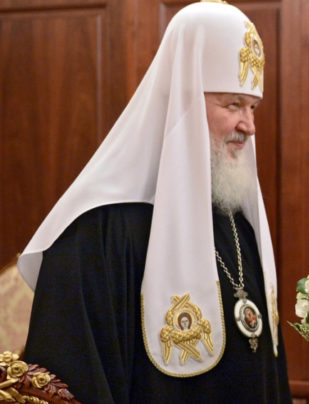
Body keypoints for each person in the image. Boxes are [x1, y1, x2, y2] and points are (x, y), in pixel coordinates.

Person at [17, 1, 292, 403]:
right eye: (233, 104)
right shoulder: (100, 231)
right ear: (182, 100)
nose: (248, 126)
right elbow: (73, 385)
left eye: (253, 107)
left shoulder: (237, 222)